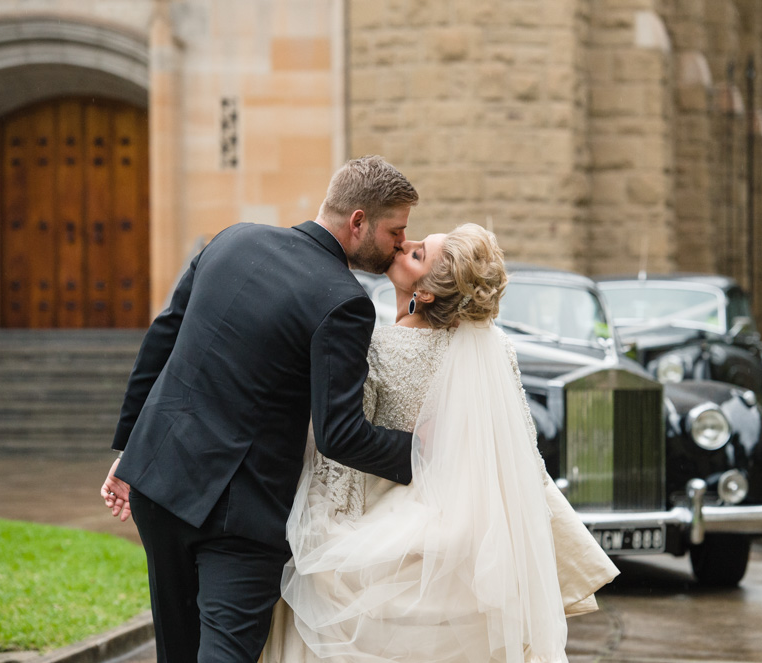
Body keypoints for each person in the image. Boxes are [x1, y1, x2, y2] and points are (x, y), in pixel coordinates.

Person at [100, 156, 420, 663]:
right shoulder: (344, 300)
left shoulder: (231, 239)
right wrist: (422, 454)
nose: (401, 244)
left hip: (159, 486)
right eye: (396, 231)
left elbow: (162, 338)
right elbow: (341, 435)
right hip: (238, 515)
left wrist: (130, 451)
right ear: (358, 221)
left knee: (176, 653)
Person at [260, 224, 619, 663]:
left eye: (416, 255)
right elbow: (521, 457)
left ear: (425, 293)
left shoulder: (374, 347)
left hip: (386, 533)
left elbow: (342, 460)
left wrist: (325, 535)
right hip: (465, 539)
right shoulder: (495, 348)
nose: (405, 246)